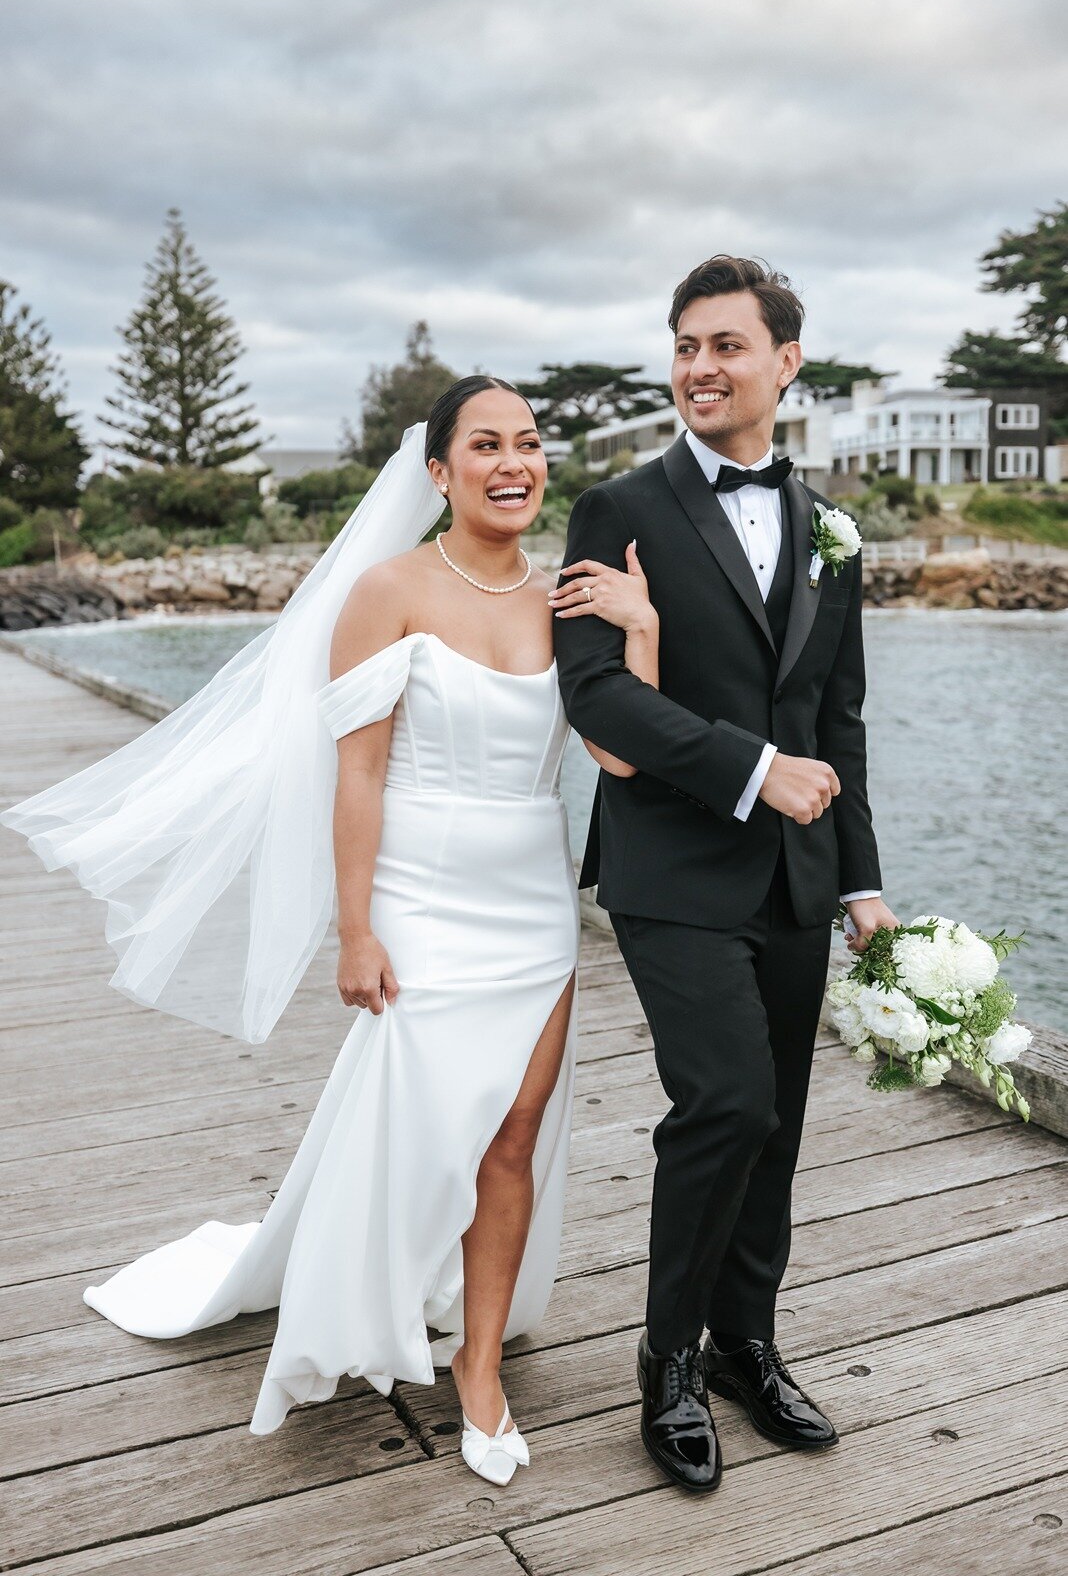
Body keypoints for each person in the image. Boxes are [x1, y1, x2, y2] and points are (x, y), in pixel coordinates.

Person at [0, 378, 644, 1488]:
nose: (514, 463)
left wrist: (642, 631)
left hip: (536, 899)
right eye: (485, 444)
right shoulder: (384, 591)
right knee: (417, 1115)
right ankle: (364, 1291)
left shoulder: (570, 599)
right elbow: (359, 773)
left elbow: (623, 761)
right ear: (437, 472)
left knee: (514, 1130)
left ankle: (479, 1362)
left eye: (530, 444)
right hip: (421, 892)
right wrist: (357, 930)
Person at [552, 255, 900, 1492]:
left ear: (785, 364)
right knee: (729, 1104)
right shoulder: (617, 510)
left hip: (800, 882)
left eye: (725, 346)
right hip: (671, 869)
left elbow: (839, 717)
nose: (698, 367)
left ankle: (749, 1343)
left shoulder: (831, 528)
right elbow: (594, 695)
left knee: (779, 1129)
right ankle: (670, 1361)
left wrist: (861, 879)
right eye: (684, 345)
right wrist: (755, 766)